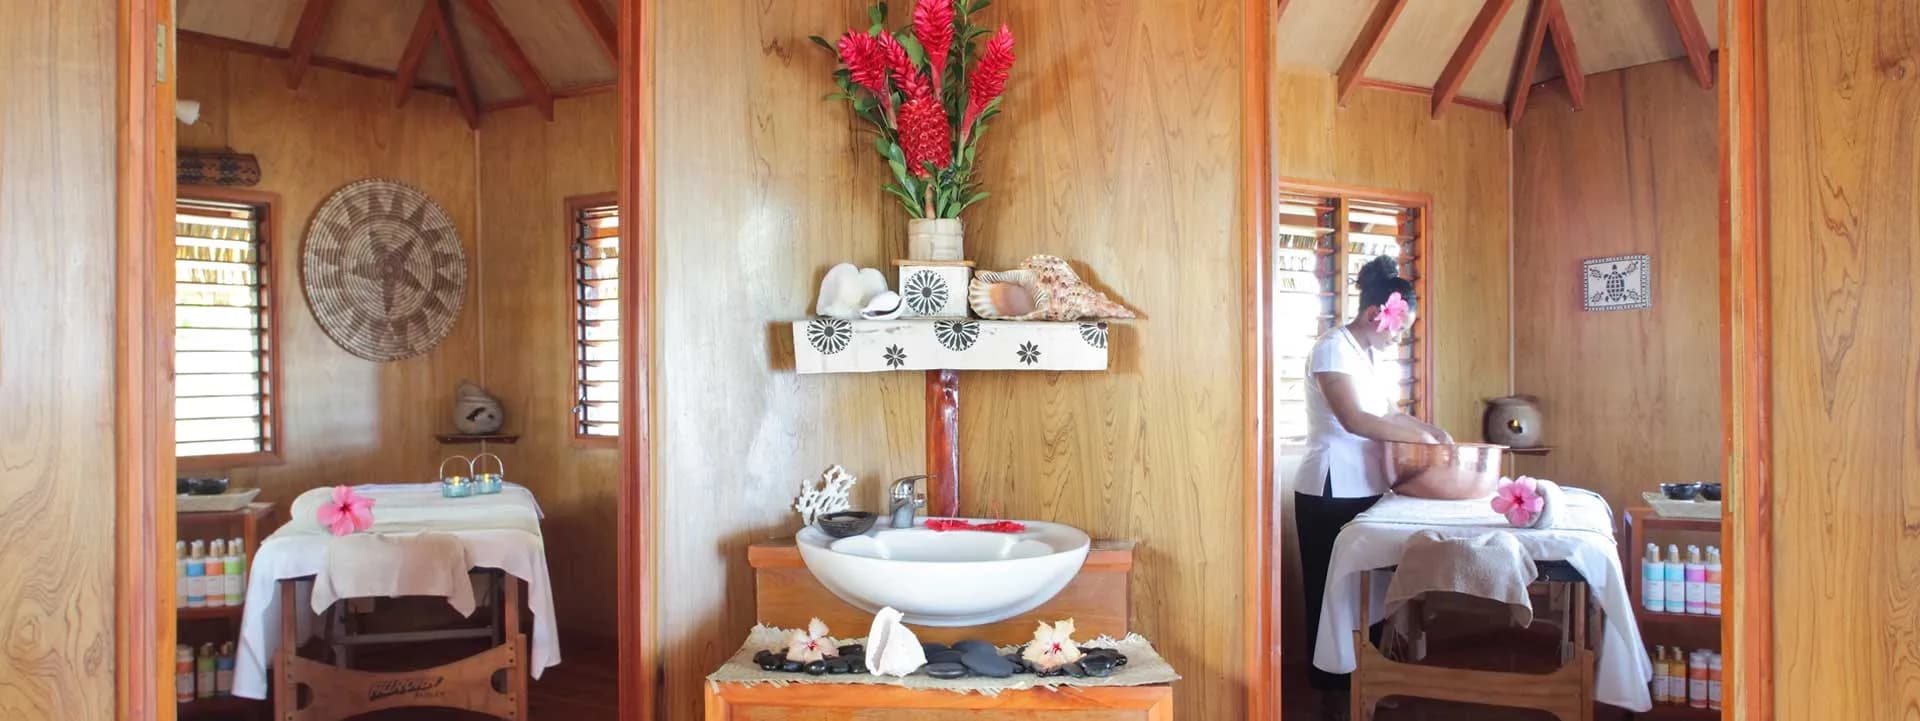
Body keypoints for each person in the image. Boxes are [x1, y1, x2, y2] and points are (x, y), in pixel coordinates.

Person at [1293, 255, 1450, 705]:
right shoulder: (1331, 348)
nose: (1400, 336)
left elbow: (1387, 414)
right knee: (1332, 593)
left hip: (1366, 488)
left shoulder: (1368, 356)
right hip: (1329, 489)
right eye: (1399, 328)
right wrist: (1420, 434)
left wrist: (1429, 430)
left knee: (1373, 588)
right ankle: (1333, 694)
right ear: (1372, 315)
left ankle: (1371, 681)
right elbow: (1356, 420)